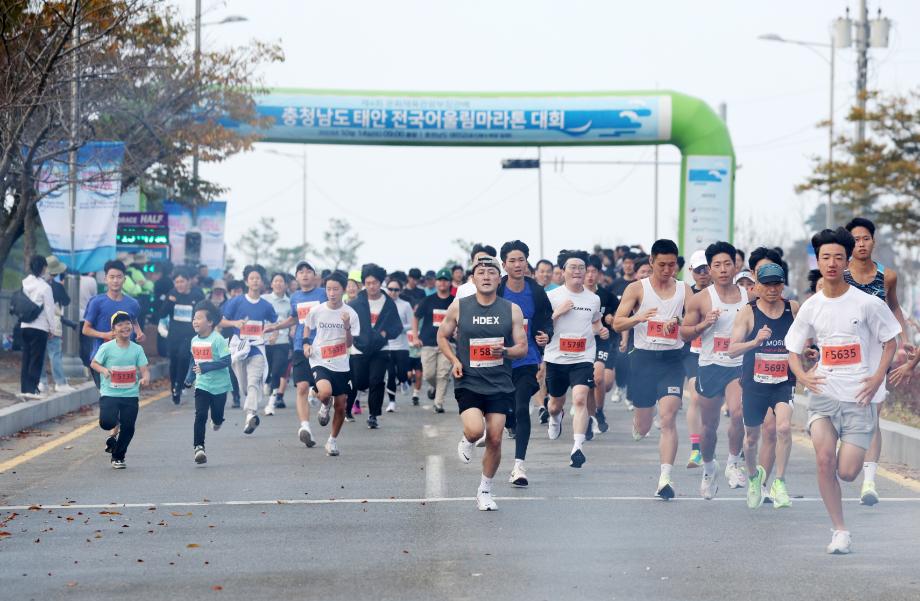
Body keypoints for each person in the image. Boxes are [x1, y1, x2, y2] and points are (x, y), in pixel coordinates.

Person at [786, 227, 900, 554]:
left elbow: (890, 340)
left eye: (838, 257)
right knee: (823, 460)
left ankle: (843, 475)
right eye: (826, 257)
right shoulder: (811, 306)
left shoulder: (866, 303)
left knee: (847, 472)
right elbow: (793, 350)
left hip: (859, 398)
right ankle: (840, 530)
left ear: (847, 260)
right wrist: (803, 378)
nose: (832, 263)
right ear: (818, 261)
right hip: (823, 395)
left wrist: (878, 376)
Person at [437, 256, 528, 510]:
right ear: (473, 279)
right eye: (481, 272)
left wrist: (506, 352)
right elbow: (441, 336)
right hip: (469, 380)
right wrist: (454, 360)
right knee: (477, 431)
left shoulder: (512, 310)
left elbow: (522, 347)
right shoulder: (459, 307)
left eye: (491, 273)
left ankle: (485, 490)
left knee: (496, 439)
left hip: (500, 382)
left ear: (500, 279)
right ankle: (467, 439)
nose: (486, 276)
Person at [843, 217, 912, 507]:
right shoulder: (838, 275)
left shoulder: (888, 276)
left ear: (873, 241)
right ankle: (845, 455)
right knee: (846, 414)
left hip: (877, 353)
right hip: (844, 352)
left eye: (866, 238)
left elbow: (894, 307)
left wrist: (903, 339)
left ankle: (869, 481)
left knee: (872, 415)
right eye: (855, 239)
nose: (861, 244)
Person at [614, 239, 690, 499]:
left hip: (672, 360)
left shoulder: (684, 289)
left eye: (672, 265)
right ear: (651, 262)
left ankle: (665, 478)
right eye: (662, 265)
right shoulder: (637, 288)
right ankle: (641, 422)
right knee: (644, 425)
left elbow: (694, 318)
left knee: (668, 417)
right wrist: (638, 318)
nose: (668, 270)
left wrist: (678, 320)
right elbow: (618, 323)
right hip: (643, 360)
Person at [727, 263, 799, 509]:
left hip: (783, 382)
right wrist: (755, 341)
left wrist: (808, 352)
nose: (772, 289)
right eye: (767, 284)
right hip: (755, 383)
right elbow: (731, 350)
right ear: (757, 286)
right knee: (750, 439)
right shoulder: (748, 312)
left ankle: (779, 481)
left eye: (777, 283)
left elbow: (803, 342)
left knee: (784, 428)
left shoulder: (793, 309)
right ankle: (753, 477)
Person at [680, 241, 748, 499]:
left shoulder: (748, 296)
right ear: (709, 269)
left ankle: (732, 463)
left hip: (738, 365)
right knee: (709, 427)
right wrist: (703, 325)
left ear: (735, 265)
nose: (722, 269)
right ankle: (709, 468)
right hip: (710, 365)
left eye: (727, 264)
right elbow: (684, 334)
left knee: (738, 411)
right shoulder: (700, 300)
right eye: (716, 265)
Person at [544, 250, 607, 469]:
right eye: (573, 267)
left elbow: (596, 323)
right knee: (554, 404)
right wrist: (558, 312)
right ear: (562, 272)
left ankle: (577, 448)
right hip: (556, 358)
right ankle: (555, 418)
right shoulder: (552, 297)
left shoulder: (593, 299)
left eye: (582, 267)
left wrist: (602, 330)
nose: (578, 271)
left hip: (583, 357)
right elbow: (542, 327)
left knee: (580, 398)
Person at [497, 240, 553, 487]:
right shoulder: (495, 289)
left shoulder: (536, 290)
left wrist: (545, 335)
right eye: (512, 260)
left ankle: (519, 465)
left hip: (527, 357)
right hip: (498, 359)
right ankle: (509, 423)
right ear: (504, 264)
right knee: (506, 410)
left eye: (521, 259)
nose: (518, 264)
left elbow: (546, 320)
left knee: (521, 407)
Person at [264, 262, 327, 445]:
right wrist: (276, 326)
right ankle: (305, 427)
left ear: (315, 276)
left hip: (322, 347)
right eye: (301, 272)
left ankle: (325, 404)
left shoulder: (323, 294)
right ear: (297, 277)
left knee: (323, 391)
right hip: (300, 346)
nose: (305, 275)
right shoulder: (295, 297)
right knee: (301, 387)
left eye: (309, 272)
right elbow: (294, 318)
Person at [303, 271, 360, 456]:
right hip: (320, 359)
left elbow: (350, 344)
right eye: (329, 289)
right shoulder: (317, 310)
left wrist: (346, 326)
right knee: (325, 392)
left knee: (342, 405)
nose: (332, 293)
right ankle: (324, 402)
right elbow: (306, 326)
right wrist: (305, 344)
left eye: (336, 289)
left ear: (343, 290)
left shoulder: (350, 313)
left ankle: (332, 441)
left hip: (341, 363)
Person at [219, 265, 277, 435]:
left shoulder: (266, 305)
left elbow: (274, 323)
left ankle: (250, 415)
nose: (255, 281)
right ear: (246, 281)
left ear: (262, 282)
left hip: (257, 348)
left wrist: (273, 334)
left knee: (253, 382)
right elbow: (221, 321)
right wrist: (234, 324)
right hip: (239, 348)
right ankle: (250, 410)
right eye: (252, 278)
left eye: (258, 278)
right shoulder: (236, 301)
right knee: (244, 386)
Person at [90, 311, 150, 469]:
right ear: (113, 330)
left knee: (129, 427)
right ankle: (115, 425)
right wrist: (103, 370)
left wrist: (145, 378)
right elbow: (94, 363)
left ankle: (118, 456)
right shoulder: (106, 347)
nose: (125, 326)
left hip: (130, 395)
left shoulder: (137, 349)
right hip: (110, 393)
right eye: (120, 324)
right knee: (106, 422)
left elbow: (144, 369)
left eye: (127, 323)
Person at [348, 264, 403, 429]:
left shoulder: (388, 303)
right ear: (364, 283)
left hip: (380, 349)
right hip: (359, 348)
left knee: (377, 381)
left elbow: (397, 326)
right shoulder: (356, 303)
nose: (372, 286)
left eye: (375, 282)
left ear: (381, 283)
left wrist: (386, 333)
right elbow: (348, 324)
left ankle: (373, 415)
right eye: (368, 282)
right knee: (359, 381)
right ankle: (348, 406)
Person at [82, 260, 145, 389]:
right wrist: (104, 334)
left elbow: (134, 321)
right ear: (105, 279)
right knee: (107, 398)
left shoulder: (133, 304)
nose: (115, 281)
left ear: (124, 279)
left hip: (126, 359)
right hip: (101, 359)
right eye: (112, 277)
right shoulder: (96, 302)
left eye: (119, 277)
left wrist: (139, 333)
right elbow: (85, 329)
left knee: (124, 398)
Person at [184, 302, 232, 464]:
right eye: (194, 318)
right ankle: (199, 447)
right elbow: (193, 360)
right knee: (200, 414)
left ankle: (217, 421)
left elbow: (226, 361)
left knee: (217, 416)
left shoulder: (217, 340)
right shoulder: (193, 340)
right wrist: (190, 377)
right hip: (202, 385)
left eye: (199, 318)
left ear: (210, 322)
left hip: (220, 386)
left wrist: (206, 367)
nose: (195, 321)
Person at [159, 268, 206, 405]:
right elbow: (162, 314)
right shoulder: (172, 294)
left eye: (182, 281)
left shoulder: (197, 294)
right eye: (177, 282)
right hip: (174, 334)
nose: (179, 284)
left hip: (190, 335)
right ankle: (174, 387)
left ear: (189, 282)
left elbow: (204, 313)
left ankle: (180, 384)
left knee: (184, 357)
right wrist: (169, 302)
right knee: (174, 361)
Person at [412, 269, 455, 413]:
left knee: (443, 374)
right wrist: (415, 336)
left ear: (449, 283)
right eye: (440, 280)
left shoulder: (455, 302)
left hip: (448, 343)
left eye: (445, 280)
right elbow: (416, 317)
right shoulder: (427, 300)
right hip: (428, 343)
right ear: (436, 282)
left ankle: (438, 403)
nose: (442, 282)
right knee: (429, 374)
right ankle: (434, 386)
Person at [683, 249, 711, 468]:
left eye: (706, 268)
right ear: (691, 271)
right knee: (695, 398)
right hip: (693, 353)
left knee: (713, 403)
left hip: (720, 355)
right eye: (699, 269)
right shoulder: (685, 294)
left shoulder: (722, 293)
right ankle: (696, 450)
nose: (704, 273)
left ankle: (736, 451)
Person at [585, 255, 618, 435]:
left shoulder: (607, 296)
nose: (590, 275)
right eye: (587, 271)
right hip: (581, 344)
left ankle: (598, 411)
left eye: (594, 271)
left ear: (599, 274)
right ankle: (589, 419)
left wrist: (612, 319)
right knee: (588, 384)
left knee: (599, 380)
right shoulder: (575, 296)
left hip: (602, 342)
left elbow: (619, 315)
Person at [19, 255, 56, 399]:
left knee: (26, 357)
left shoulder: (24, 283)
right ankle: (32, 389)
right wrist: (52, 329)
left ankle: (24, 388)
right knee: (36, 359)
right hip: (39, 327)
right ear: (43, 268)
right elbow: (49, 309)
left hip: (24, 326)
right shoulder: (45, 287)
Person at [39, 255, 74, 393]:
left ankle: (42, 382)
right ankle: (60, 383)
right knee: (55, 354)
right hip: (55, 323)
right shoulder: (57, 287)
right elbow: (66, 302)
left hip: (39, 323)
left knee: (40, 354)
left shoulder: (37, 284)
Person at [262, 272, 293, 413]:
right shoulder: (264, 300)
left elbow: (293, 320)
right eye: (276, 281)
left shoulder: (290, 302)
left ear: (286, 285)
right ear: (271, 284)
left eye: (281, 281)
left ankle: (271, 403)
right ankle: (267, 382)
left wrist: (293, 330)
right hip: (264, 341)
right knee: (266, 371)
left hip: (282, 341)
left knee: (277, 371)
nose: (278, 284)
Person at [384, 277, 414, 413]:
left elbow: (412, 324)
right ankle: (391, 402)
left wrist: (399, 328)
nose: (393, 292)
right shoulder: (382, 304)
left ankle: (404, 381)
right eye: (390, 289)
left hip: (402, 345)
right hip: (387, 346)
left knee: (402, 373)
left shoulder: (405, 305)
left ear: (400, 291)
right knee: (390, 374)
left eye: (396, 290)